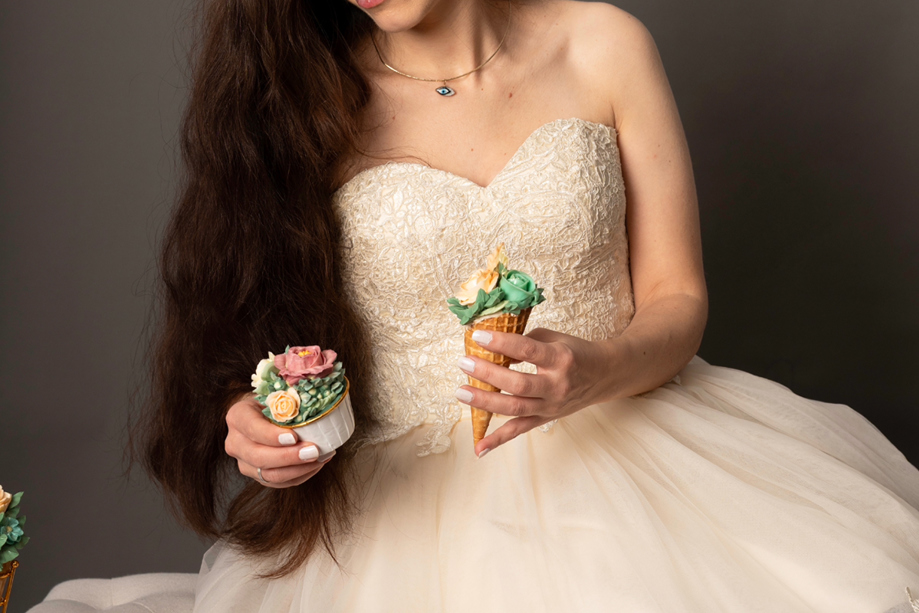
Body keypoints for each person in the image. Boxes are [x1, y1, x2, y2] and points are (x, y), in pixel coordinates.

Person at [133, 0, 919, 611]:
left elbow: (678, 298)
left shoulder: (605, 44)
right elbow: (260, 336)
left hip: (643, 466)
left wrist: (597, 367)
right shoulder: (298, 100)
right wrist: (257, 414)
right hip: (400, 521)